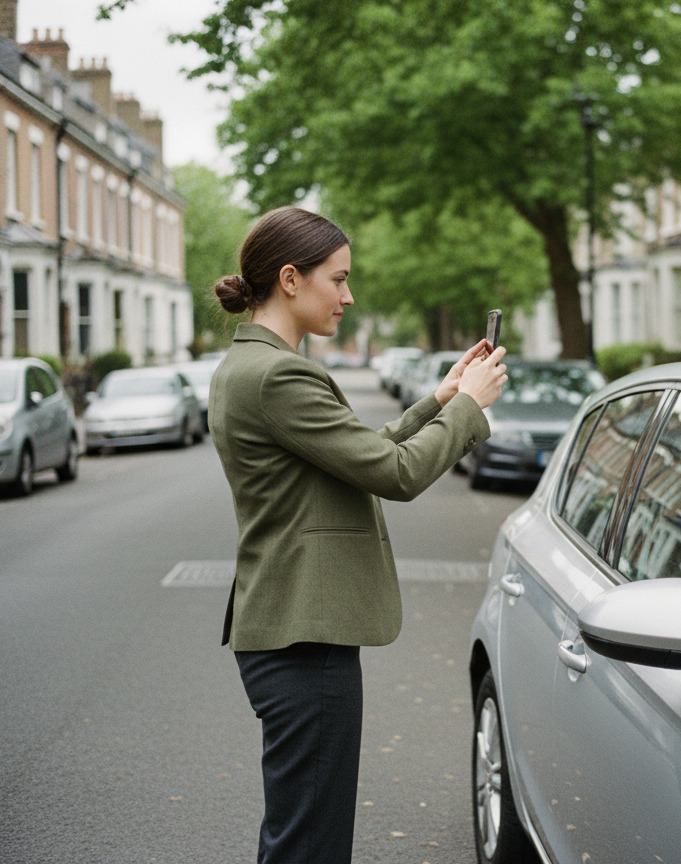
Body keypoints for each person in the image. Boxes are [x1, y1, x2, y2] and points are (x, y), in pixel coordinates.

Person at [208, 205, 507, 864]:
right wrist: (470, 409)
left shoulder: (250, 367)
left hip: (292, 631)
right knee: (310, 846)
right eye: (337, 279)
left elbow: (358, 451)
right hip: (302, 640)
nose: (348, 296)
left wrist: (440, 399)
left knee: (299, 837)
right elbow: (396, 473)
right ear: (290, 278)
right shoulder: (280, 374)